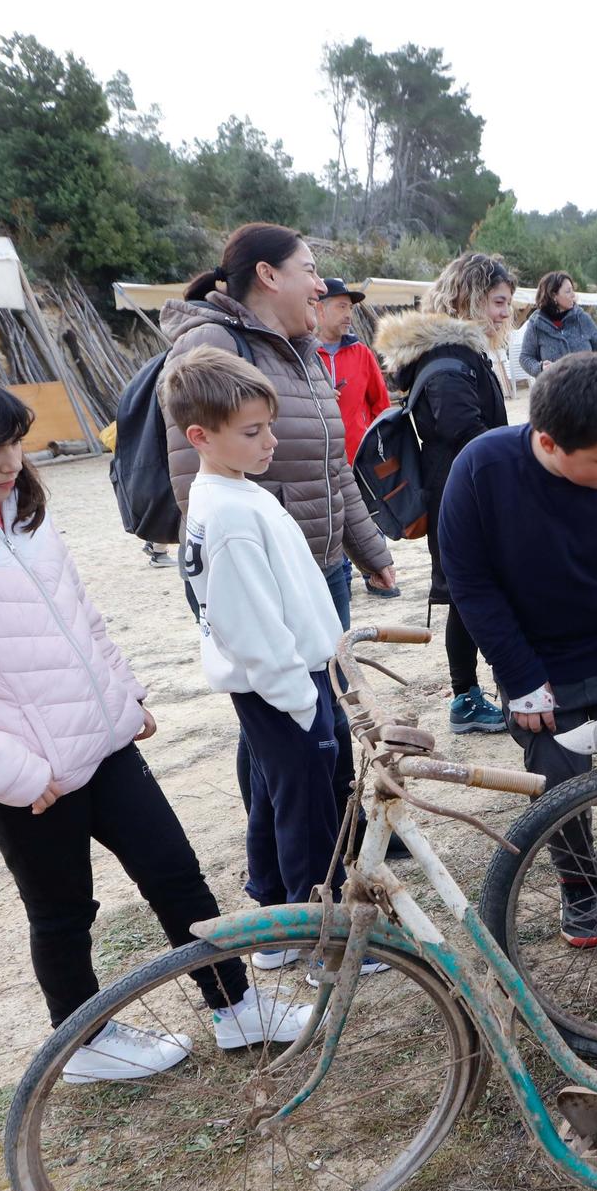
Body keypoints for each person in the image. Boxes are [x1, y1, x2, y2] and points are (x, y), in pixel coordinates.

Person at [0, 360, 305, 1078]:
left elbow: (76, 615)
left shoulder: (19, 512)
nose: (9, 462)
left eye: (13, 444)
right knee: (63, 912)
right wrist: (15, 771)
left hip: (102, 740)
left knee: (178, 875)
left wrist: (122, 696)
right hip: (29, 776)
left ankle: (237, 1006)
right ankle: (83, 1041)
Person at [439, 352, 597, 947]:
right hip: (538, 661)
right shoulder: (480, 470)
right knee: (557, 783)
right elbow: (470, 584)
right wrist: (520, 677)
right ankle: (581, 892)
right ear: (548, 442)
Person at [161, 223, 394, 818]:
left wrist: (370, 548)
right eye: (310, 270)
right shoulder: (211, 344)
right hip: (265, 577)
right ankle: (295, 859)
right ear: (268, 275)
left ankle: (344, 829)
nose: (320, 285)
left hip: (321, 565)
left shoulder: (305, 348)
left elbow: (331, 459)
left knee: (324, 708)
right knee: (277, 721)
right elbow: (196, 479)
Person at [165, 348, 380, 980]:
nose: (270, 441)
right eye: (253, 432)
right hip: (286, 683)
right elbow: (250, 624)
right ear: (201, 436)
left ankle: (272, 922)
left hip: (282, 681)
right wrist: (301, 697)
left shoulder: (230, 493)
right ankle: (324, 941)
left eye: (268, 426)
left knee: (275, 798)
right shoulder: (229, 511)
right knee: (311, 809)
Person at [374, 251, 520, 736]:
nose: (505, 313)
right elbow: (466, 430)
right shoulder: (449, 358)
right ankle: (467, 697)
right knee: (470, 593)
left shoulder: (454, 352)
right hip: (463, 494)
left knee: (469, 592)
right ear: (469, 297)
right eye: (498, 302)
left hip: (463, 489)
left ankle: (475, 692)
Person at [311, 278, 398, 598]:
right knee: (331, 521)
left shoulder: (361, 352)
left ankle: (376, 575)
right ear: (319, 309)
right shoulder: (303, 352)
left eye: (350, 307)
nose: (348, 314)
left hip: (359, 455)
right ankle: (341, 578)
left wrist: (377, 447)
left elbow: (380, 404)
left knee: (369, 515)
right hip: (319, 455)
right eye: (341, 306)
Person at [518, 271, 597, 379]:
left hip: (587, 388)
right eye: (568, 291)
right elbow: (525, 357)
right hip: (554, 392)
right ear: (554, 296)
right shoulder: (536, 324)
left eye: (573, 290)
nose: (573, 295)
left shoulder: (582, 318)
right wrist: (540, 368)